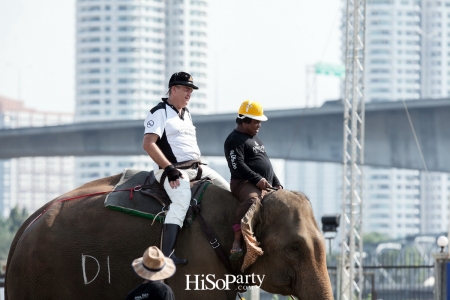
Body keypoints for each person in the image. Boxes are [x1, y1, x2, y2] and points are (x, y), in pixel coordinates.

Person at [143, 71, 230, 265]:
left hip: (198, 167)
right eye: (186, 89)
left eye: (191, 90)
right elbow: (148, 144)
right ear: (173, 89)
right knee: (182, 199)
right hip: (173, 170)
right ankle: (165, 256)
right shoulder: (159, 111)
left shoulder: (186, 113)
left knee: (228, 191)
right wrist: (168, 169)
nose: (189, 94)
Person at [224, 100, 283, 260]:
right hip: (242, 183)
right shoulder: (234, 140)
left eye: (259, 122)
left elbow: (267, 163)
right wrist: (257, 179)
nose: (259, 125)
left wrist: (276, 182)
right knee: (253, 200)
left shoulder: (256, 139)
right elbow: (237, 166)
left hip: (261, 183)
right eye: (256, 122)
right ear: (244, 121)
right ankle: (236, 241)